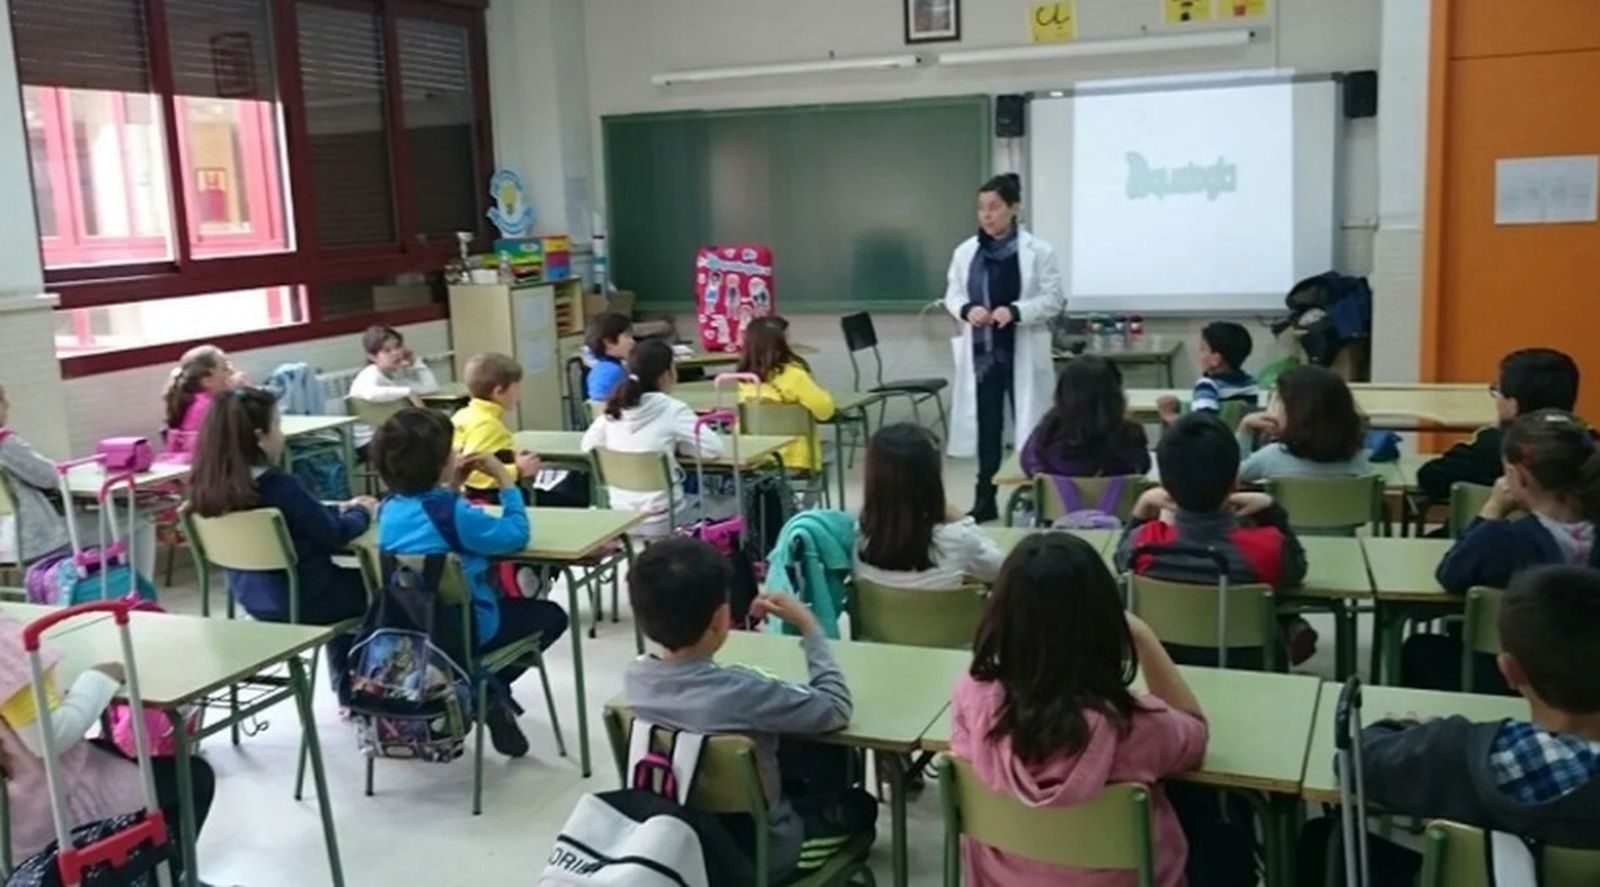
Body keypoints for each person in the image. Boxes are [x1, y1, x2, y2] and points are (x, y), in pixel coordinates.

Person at [952, 533, 1254, 887]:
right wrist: (1142, 637)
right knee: (1223, 835)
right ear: (1105, 621)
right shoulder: (1135, 725)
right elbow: (1196, 736)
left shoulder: (973, 698)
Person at [1299, 565, 1600, 886]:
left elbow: (1353, 760)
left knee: (1323, 841)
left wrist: (1403, 726)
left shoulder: (1455, 751)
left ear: (1510, 671)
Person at [624, 537, 875, 882]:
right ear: (719, 618)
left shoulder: (636, 679)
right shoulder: (743, 691)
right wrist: (810, 627)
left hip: (680, 840)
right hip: (761, 854)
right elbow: (835, 707)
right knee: (860, 806)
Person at [372, 408, 569, 758]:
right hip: (467, 627)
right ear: (439, 463)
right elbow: (516, 536)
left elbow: (432, 520)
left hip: (410, 628)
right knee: (551, 615)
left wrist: (452, 489)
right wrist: (507, 483)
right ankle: (483, 691)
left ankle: (479, 689)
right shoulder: (454, 513)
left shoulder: (387, 510)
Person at [188, 387, 373, 703]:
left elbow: (306, 520)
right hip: (306, 599)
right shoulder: (281, 486)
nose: (282, 435)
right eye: (278, 425)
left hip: (255, 598)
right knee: (377, 587)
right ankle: (359, 691)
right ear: (260, 436)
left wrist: (330, 511)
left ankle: (348, 688)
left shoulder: (206, 492)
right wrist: (361, 512)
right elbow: (333, 535)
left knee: (343, 587)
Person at [1401, 410, 1600, 692]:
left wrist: (1491, 510)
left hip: (1515, 682)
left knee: (1419, 650)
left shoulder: (1501, 539)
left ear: (1517, 478)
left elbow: (1450, 574)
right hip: (1591, 681)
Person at [0, 623, 216, 871]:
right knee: (192, 776)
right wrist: (99, 678)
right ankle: (160, 875)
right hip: (46, 808)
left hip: (15, 811)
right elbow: (50, 737)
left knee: (107, 748)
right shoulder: (5, 645)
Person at [1116, 412, 1311, 666]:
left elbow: (1120, 560)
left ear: (1164, 484)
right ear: (1235, 484)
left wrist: (1141, 509)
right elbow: (1297, 569)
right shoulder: (1265, 547)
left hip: (1165, 671)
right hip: (1248, 672)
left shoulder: (1143, 546)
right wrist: (1272, 510)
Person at [944, 173, 1067, 523]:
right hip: (984, 356)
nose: (987, 215)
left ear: (1013, 208)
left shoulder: (1037, 251)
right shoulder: (966, 252)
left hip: (1021, 348)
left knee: (1033, 429)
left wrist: (1015, 311)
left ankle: (1038, 499)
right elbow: (953, 294)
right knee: (988, 427)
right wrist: (968, 310)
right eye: (981, 208)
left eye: (995, 207)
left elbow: (1052, 300)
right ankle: (985, 499)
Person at [0, 383, 151, 576]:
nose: (9, 405)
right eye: (4, 400)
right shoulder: (5, 444)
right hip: (33, 540)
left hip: (6, 541)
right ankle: (139, 592)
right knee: (138, 520)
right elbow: (50, 478)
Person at [580, 339, 723, 535]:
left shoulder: (616, 406)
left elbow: (588, 445)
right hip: (665, 517)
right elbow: (713, 449)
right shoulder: (672, 409)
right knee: (733, 503)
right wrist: (681, 447)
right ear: (666, 375)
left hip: (620, 517)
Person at [1416, 348, 1581, 504]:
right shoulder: (1590, 445)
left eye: (1497, 391)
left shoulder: (1492, 445)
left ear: (1512, 406)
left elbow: (1430, 478)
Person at [855, 422, 1002, 590]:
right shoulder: (957, 539)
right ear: (930, 479)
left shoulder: (856, 537)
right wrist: (964, 521)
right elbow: (1001, 570)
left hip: (876, 617)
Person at [1019, 356, 1150, 479]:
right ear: (1114, 395)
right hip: (1121, 503)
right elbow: (1143, 468)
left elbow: (1029, 464)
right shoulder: (1130, 439)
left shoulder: (1046, 437)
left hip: (1060, 502)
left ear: (1062, 392)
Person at [1235, 364, 1370, 484]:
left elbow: (1233, 474)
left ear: (1297, 413)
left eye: (1278, 401)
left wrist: (1245, 428)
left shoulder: (1271, 458)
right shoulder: (1359, 461)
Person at [737, 316, 834, 474]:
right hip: (796, 461)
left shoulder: (744, 380)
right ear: (781, 344)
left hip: (757, 459)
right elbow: (825, 411)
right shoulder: (795, 375)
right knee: (832, 450)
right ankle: (806, 498)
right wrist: (826, 395)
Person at [451, 352, 541, 503]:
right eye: (516, 388)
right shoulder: (486, 424)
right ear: (498, 391)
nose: (519, 395)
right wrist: (517, 470)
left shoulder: (463, 414)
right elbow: (473, 472)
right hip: (486, 502)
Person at [347, 324, 440, 451]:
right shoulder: (370, 374)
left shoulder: (394, 377)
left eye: (398, 347)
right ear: (372, 357)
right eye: (387, 350)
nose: (396, 353)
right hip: (370, 443)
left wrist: (416, 362)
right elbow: (370, 393)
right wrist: (407, 392)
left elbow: (430, 387)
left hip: (391, 438)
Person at [1156, 322, 1258, 423]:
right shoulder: (1250, 384)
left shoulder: (1207, 385)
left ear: (1215, 360)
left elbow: (1202, 424)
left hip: (1214, 438)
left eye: (1203, 349)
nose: (1199, 353)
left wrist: (1169, 416)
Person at [161, 344, 242, 461]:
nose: (232, 372)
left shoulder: (195, 401)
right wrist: (238, 393)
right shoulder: (210, 407)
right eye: (225, 368)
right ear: (207, 380)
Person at [583, 312, 636, 402]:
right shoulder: (610, 371)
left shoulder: (606, 366)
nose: (632, 342)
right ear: (609, 342)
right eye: (627, 336)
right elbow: (599, 403)